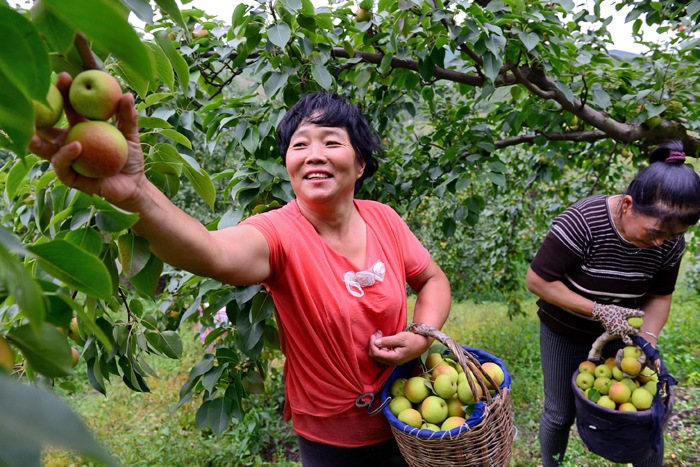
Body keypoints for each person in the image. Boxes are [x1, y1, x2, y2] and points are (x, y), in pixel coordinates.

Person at [30, 73, 452, 466]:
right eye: (300, 145)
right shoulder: (278, 234)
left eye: (332, 142)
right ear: (287, 163)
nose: (314, 156)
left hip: (413, 416)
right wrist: (138, 193)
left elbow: (431, 279)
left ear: (360, 164)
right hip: (333, 439)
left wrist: (421, 336)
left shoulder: (384, 219)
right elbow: (209, 252)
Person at [525, 140, 700, 467]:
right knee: (560, 412)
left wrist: (647, 342)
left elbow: (661, 295)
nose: (660, 243)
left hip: (625, 335)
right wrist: (598, 310)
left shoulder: (668, 242)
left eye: (672, 237)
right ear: (627, 205)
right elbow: (537, 281)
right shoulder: (584, 221)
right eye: (656, 232)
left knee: (647, 414)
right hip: (565, 331)